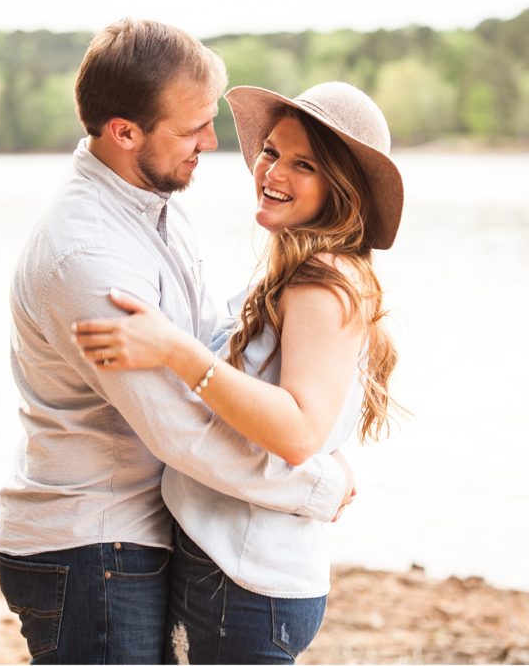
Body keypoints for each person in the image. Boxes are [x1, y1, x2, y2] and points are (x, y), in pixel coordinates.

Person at [0, 19, 355, 665]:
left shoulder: (153, 202)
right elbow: (180, 430)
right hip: (92, 545)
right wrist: (317, 485)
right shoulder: (88, 256)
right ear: (124, 133)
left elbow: (210, 342)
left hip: (135, 535)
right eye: (192, 130)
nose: (212, 144)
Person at [73, 81, 404, 664]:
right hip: (231, 566)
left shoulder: (321, 282)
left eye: (304, 165)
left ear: (341, 189)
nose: (273, 171)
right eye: (272, 151)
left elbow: (298, 432)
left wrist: (175, 351)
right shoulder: (298, 268)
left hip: (246, 582)